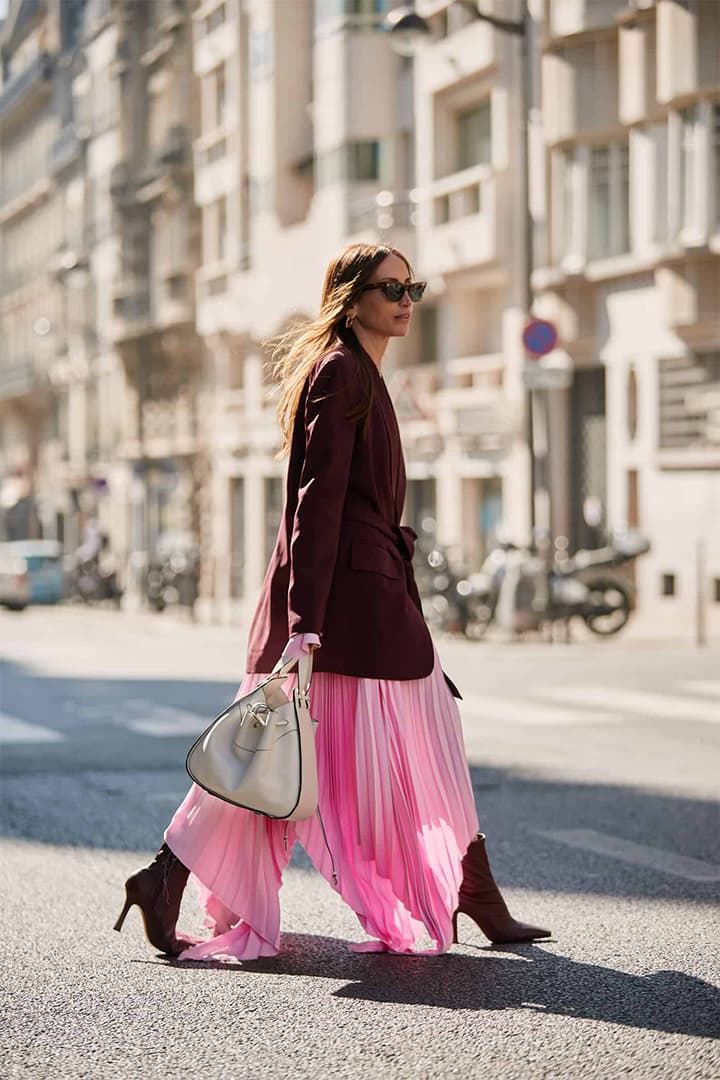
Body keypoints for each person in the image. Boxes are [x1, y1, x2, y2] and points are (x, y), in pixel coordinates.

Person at [114, 242, 550, 959]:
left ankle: (164, 879)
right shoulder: (343, 373)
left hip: (367, 598)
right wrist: (303, 623)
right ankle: (475, 899)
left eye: (414, 287)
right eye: (391, 289)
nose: (407, 300)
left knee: (361, 748)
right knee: (286, 756)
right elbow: (314, 508)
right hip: (344, 609)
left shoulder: (360, 372)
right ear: (351, 300)